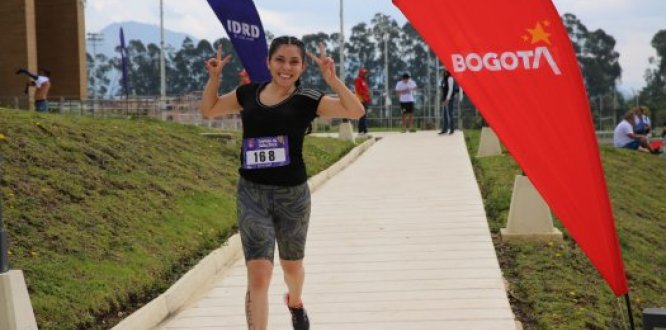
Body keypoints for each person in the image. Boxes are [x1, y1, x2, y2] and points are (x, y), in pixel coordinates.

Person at [200, 36, 364, 330]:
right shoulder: (247, 94)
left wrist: (333, 78)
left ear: (302, 67)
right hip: (252, 194)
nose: (286, 67)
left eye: (294, 62)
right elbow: (209, 110)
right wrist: (214, 78)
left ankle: (295, 301)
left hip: (292, 197)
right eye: (280, 60)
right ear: (268, 62)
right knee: (259, 275)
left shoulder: (309, 99)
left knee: (292, 268)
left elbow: (355, 112)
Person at [438, 68, 461, 135]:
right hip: (445, 99)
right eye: (443, 71)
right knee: (444, 114)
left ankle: (452, 129)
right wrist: (443, 99)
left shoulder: (450, 78)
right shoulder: (444, 79)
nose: (444, 71)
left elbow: (450, 90)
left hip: (449, 98)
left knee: (450, 113)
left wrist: (447, 99)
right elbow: (443, 90)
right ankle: (444, 129)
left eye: (445, 70)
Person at [354, 67, 371, 135]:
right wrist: (366, 93)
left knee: (364, 116)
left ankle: (364, 131)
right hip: (361, 100)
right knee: (362, 116)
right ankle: (362, 131)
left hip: (365, 100)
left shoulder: (363, 81)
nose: (366, 75)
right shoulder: (359, 80)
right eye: (365, 73)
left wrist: (368, 95)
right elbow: (359, 90)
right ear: (362, 74)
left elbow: (365, 90)